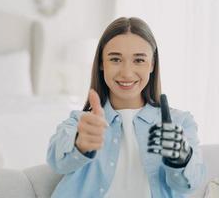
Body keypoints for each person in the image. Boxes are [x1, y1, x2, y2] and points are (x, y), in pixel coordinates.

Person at [46, 17, 206, 198]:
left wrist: (180, 158)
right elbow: (56, 161)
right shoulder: (82, 122)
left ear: (152, 64)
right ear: (101, 63)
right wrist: (80, 144)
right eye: (115, 59)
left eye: (139, 60)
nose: (127, 73)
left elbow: (189, 184)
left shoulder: (180, 122)